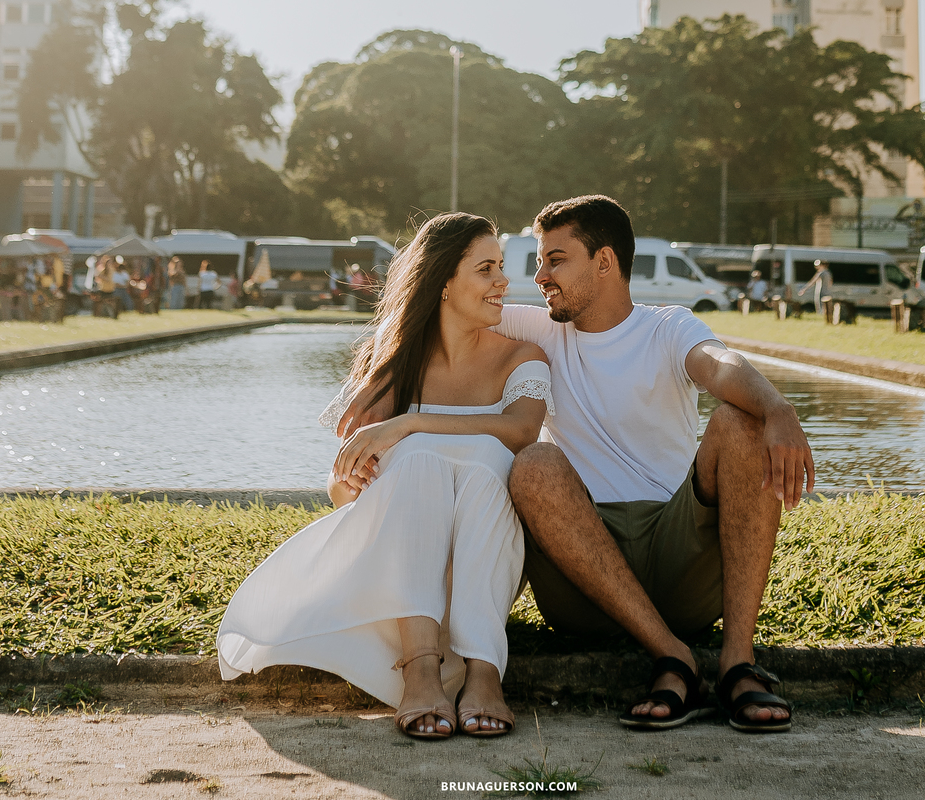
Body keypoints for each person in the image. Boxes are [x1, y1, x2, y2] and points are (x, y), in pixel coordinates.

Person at [338, 196, 814, 735]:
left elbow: (720, 365)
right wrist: (381, 381)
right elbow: (437, 309)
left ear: (604, 262)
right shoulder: (540, 330)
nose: (537, 277)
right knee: (536, 463)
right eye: (539, 262)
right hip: (582, 576)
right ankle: (673, 658)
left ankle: (737, 664)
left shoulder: (667, 327)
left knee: (740, 422)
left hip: (676, 551)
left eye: (555, 260)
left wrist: (777, 408)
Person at [218, 212, 552, 741]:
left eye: (501, 268)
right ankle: (419, 672)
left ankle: (485, 673)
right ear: (443, 283)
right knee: (416, 461)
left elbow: (522, 432)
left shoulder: (521, 357)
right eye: (485, 269)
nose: (503, 282)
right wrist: (362, 476)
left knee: (487, 462)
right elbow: (341, 489)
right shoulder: (395, 367)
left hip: (480, 564)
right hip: (402, 572)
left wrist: (411, 423)